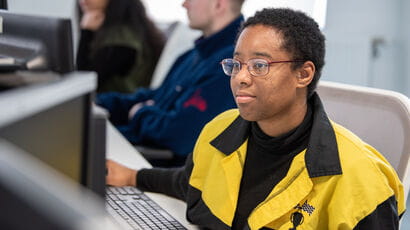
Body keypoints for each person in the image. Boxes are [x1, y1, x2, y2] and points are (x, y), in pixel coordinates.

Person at [106, 7, 405, 229]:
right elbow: (190, 183)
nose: (241, 78)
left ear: (303, 74)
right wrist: (133, 177)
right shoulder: (218, 131)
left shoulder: (360, 178)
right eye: (236, 64)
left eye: (259, 65)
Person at [97, 0, 245, 166]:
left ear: (219, 5)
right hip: (142, 149)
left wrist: (140, 113)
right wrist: (97, 102)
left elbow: (180, 135)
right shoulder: (193, 55)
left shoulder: (229, 66)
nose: (184, 5)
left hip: (163, 172)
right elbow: (156, 97)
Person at [76, 0, 165, 93]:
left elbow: (85, 82)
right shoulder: (127, 29)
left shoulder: (122, 40)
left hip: (117, 105)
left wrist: (86, 33)